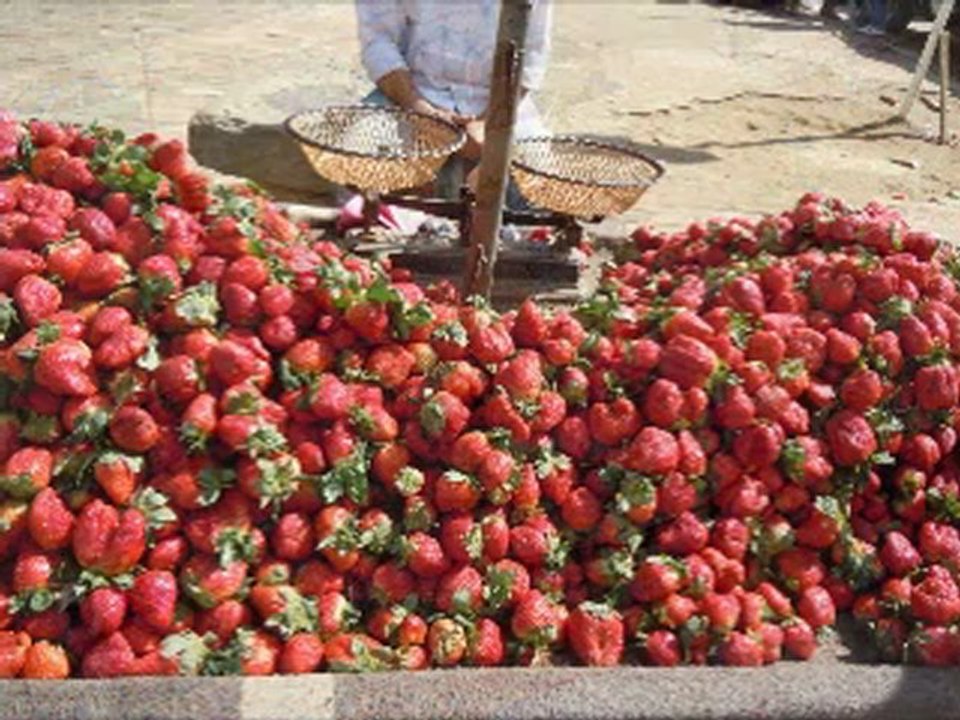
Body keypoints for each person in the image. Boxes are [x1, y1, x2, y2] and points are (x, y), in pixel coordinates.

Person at [355, 0, 553, 199]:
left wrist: (488, 123)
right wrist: (419, 109)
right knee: (358, 155)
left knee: (538, 182)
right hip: (411, 94)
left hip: (498, 101)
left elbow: (531, 57)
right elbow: (378, 41)